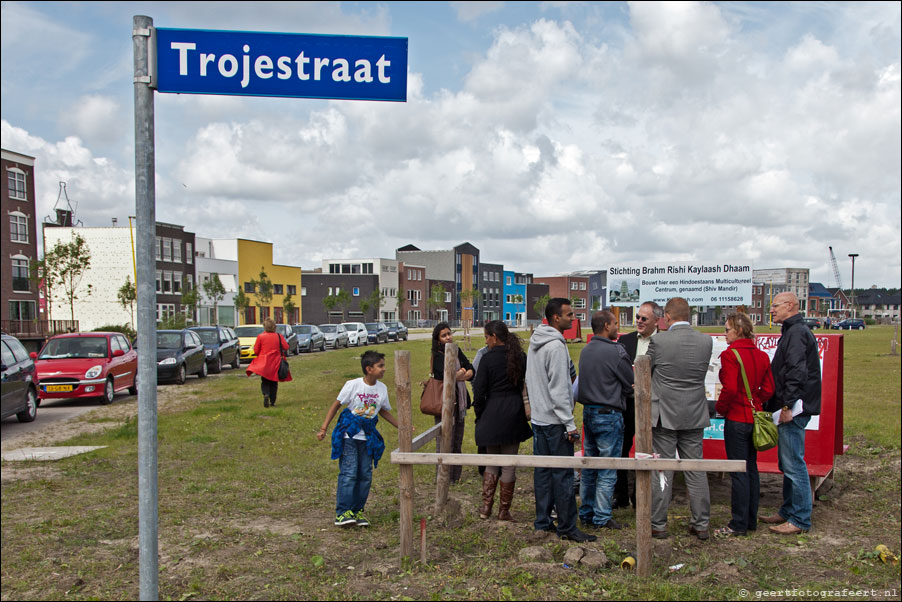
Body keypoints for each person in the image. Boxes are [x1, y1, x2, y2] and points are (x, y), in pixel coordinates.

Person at [526, 298, 596, 542]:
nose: (572, 318)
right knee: (563, 475)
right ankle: (567, 526)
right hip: (555, 422)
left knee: (543, 474)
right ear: (556, 317)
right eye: (569, 314)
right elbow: (559, 388)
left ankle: (542, 522)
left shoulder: (535, 343)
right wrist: (569, 423)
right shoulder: (555, 347)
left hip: (539, 419)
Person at [647, 297, 713, 540]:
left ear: (667, 316)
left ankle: (658, 523)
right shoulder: (706, 341)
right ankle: (701, 523)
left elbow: (645, 371)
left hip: (665, 414)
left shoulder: (659, 340)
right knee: (695, 469)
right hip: (694, 412)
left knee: (663, 470)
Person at [760, 292, 821, 535]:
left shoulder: (796, 333)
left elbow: (796, 372)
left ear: (790, 306)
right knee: (787, 463)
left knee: (794, 463)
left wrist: (787, 406)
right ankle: (787, 511)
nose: (771, 310)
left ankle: (800, 519)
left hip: (793, 409)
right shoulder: (793, 331)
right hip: (791, 406)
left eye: (775, 306)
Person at [317, 351, 400, 527]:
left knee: (365, 475)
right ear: (369, 369)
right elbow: (337, 404)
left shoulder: (382, 389)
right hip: (350, 436)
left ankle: (357, 511)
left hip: (368, 439)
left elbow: (383, 411)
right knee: (349, 473)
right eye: (380, 366)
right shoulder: (353, 385)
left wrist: (400, 426)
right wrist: (324, 427)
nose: (384, 369)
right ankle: (343, 512)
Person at [714, 313, 775, 537]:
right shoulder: (761, 356)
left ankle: (738, 523)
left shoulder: (731, 356)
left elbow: (729, 388)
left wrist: (721, 408)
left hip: (737, 418)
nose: (725, 334)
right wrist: (756, 400)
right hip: (755, 416)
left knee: (738, 471)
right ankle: (750, 519)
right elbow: (768, 389)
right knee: (752, 469)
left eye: (727, 329)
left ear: (738, 330)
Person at [577, 310, 634, 530]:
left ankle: (587, 512)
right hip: (609, 414)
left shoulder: (586, 349)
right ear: (607, 325)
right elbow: (630, 382)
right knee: (608, 467)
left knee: (590, 465)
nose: (617, 327)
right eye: (615, 324)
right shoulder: (616, 351)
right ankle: (602, 516)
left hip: (589, 412)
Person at [472, 320, 532, 521]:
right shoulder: (519, 356)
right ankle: (503, 511)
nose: (486, 341)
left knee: (492, 461)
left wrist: (480, 414)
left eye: (486, 337)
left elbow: (478, 391)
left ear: (494, 337)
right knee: (508, 464)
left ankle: (485, 509)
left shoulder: (487, 359)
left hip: (492, 412)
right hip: (514, 412)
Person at [614, 301, 662, 508]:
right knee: (622, 450)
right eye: (638, 318)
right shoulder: (624, 341)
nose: (639, 322)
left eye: (644, 318)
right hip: (626, 404)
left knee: (648, 452)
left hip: (651, 405)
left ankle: (642, 497)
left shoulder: (663, 342)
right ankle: (622, 496)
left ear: (657, 321)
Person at [430, 322, 474, 484]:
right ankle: (442, 476)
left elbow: (471, 369)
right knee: (443, 440)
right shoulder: (437, 356)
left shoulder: (456, 350)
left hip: (459, 403)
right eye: (444, 335)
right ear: (437, 339)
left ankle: (455, 476)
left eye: (449, 333)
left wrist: (460, 373)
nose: (448, 337)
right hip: (443, 404)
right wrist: (461, 373)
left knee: (457, 439)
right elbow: (445, 375)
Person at [245, 318, 291, 407]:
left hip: (265, 362)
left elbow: (256, 351)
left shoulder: (260, 336)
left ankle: (266, 393)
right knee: (274, 382)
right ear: (274, 327)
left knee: (265, 380)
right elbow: (286, 347)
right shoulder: (279, 336)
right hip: (276, 361)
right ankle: (272, 401)